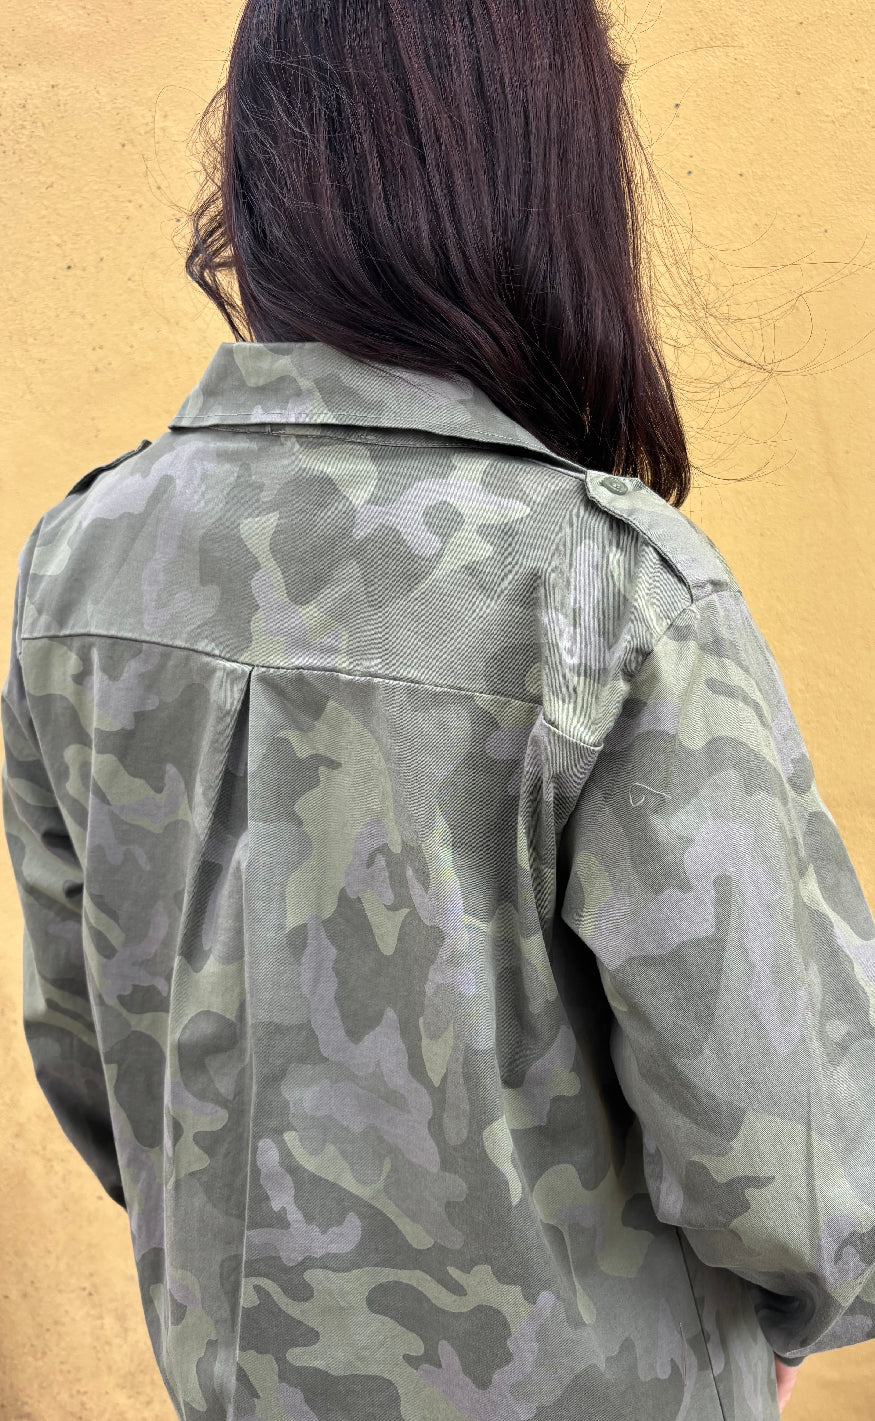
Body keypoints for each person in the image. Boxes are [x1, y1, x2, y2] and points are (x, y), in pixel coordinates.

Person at [2, 2, 873, 1419]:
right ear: (545, 176)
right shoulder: (602, 592)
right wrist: (800, 1304)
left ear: (267, 179)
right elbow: (805, 1169)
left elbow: (98, 1066)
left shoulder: (81, 567)